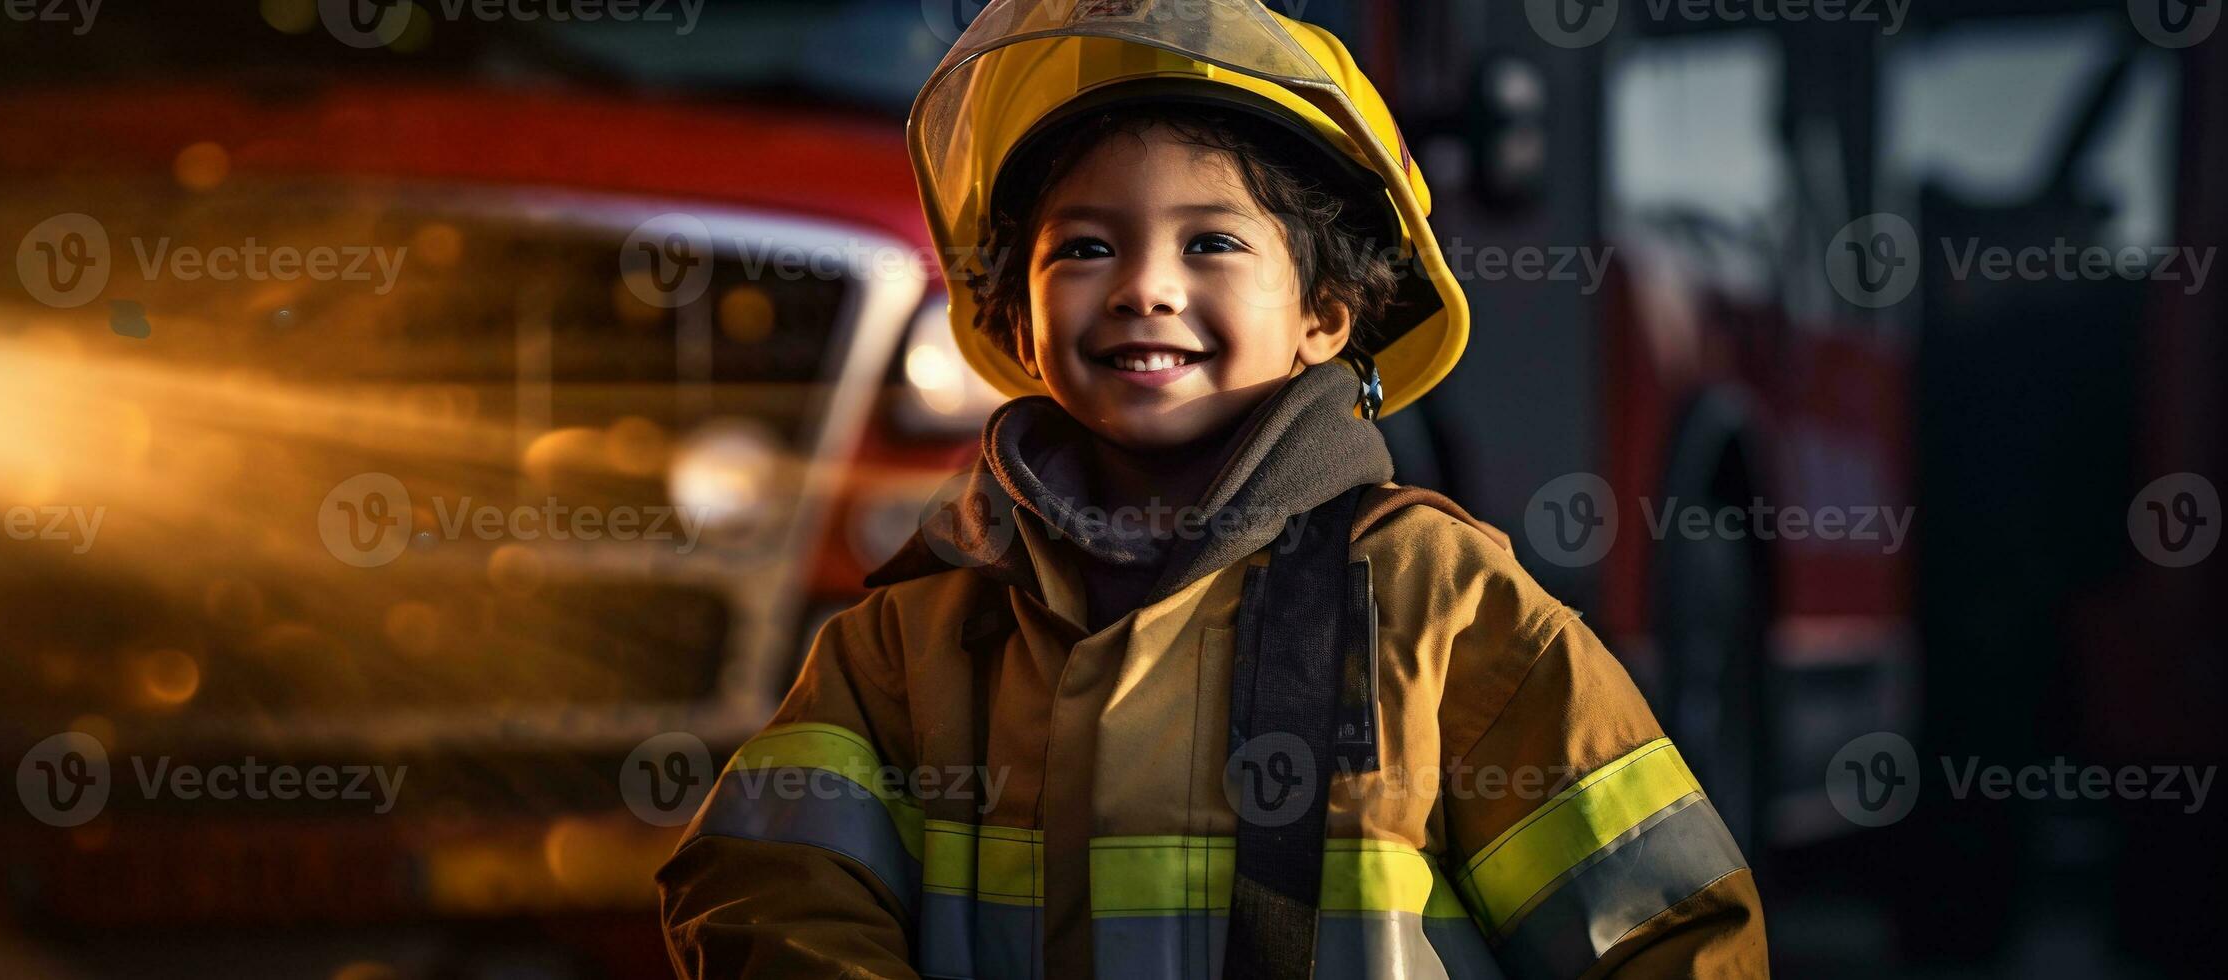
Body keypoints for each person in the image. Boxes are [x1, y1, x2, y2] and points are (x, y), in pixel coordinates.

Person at [658, 2, 1768, 977]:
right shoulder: (916, 629)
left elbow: (1664, 932)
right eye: (1084, 247)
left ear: (1324, 316)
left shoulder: (1441, 604)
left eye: (1212, 242)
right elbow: (766, 883)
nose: (1145, 287)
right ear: (1016, 317)